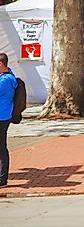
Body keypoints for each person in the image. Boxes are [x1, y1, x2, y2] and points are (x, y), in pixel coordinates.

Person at [0, 52, 17, 188]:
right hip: (4, 115)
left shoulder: (5, 80)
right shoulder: (7, 76)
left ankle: (2, 178)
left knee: (1, 147)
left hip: (2, 117)